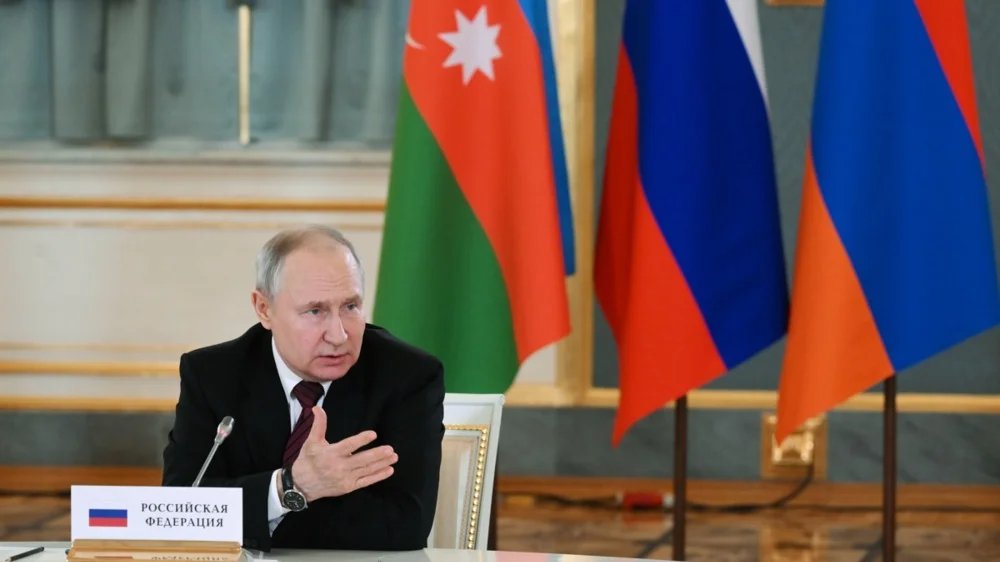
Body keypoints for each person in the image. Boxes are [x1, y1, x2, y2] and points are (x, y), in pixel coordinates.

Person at [162, 225, 445, 551]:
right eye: (315, 311)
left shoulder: (407, 376)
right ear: (264, 309)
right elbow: (182, 508)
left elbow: (406, 524)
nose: (339, 335)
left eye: (350, 306)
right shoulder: (213, 375)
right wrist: (290, 487)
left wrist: (258, 513)